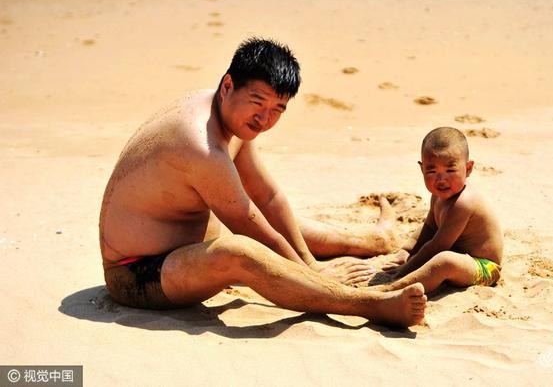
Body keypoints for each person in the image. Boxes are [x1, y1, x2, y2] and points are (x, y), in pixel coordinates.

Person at [99, 37, 425, 327]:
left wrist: (308, 263)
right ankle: (366, 305)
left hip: (186, 246)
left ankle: (377, 240)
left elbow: (268, 197)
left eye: (277, 109)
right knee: (238, 251)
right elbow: (246, 224)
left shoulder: (225, 116)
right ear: (228, 86)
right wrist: (313, 276)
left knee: (282, 222)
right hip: (139, 273)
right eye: (258, 102)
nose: (265, 119)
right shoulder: (199, 143)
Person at [371, 127, 503, 293]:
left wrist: (406, 269)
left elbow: (438, 245)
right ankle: (406, 275)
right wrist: (408, 252)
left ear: (468, 168)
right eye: (432, 171)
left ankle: (394, 288)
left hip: (484, 268)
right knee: (430, 241)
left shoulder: (464, 203)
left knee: (445, 261)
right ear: (422, 169)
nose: (441, 179)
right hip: (460, 258)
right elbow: (430, 227)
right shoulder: (438, 196)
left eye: (450, 170)